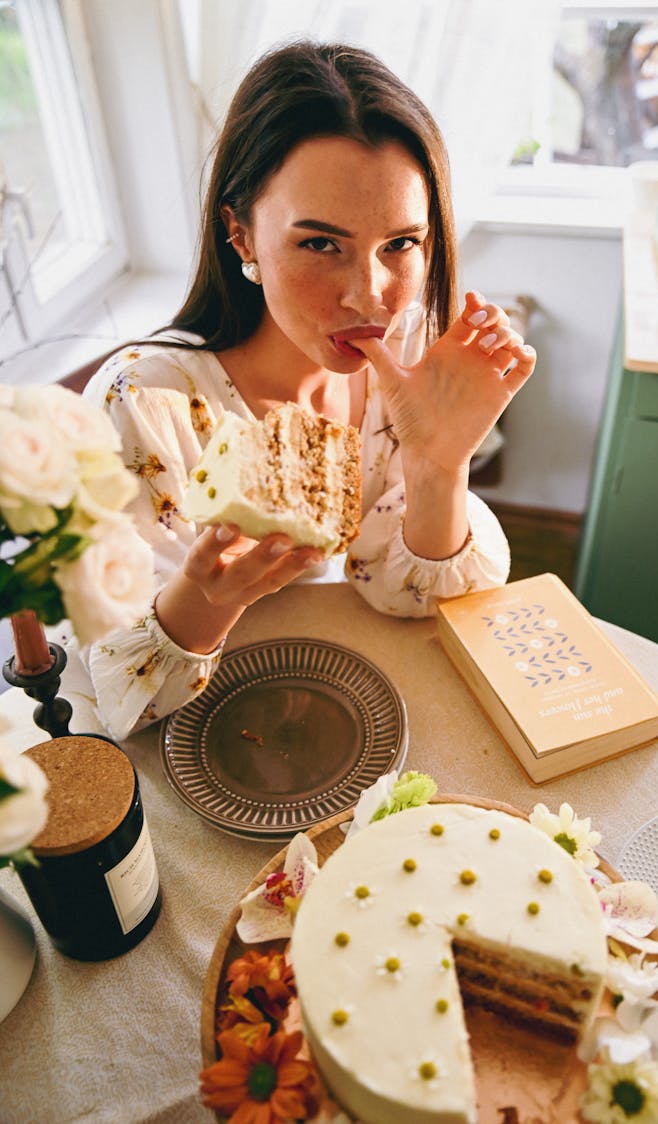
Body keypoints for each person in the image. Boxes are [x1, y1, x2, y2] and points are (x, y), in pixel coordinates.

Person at [70, 40, 536, 741]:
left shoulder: (409, 359)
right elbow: (117, 695)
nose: (368, 296)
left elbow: (420, 596)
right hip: (207, 744)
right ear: (242, 235)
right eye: (321, 244)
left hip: (366, 712)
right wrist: (202, 596)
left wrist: (438, 468)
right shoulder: (143, 406)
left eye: (401, 243)